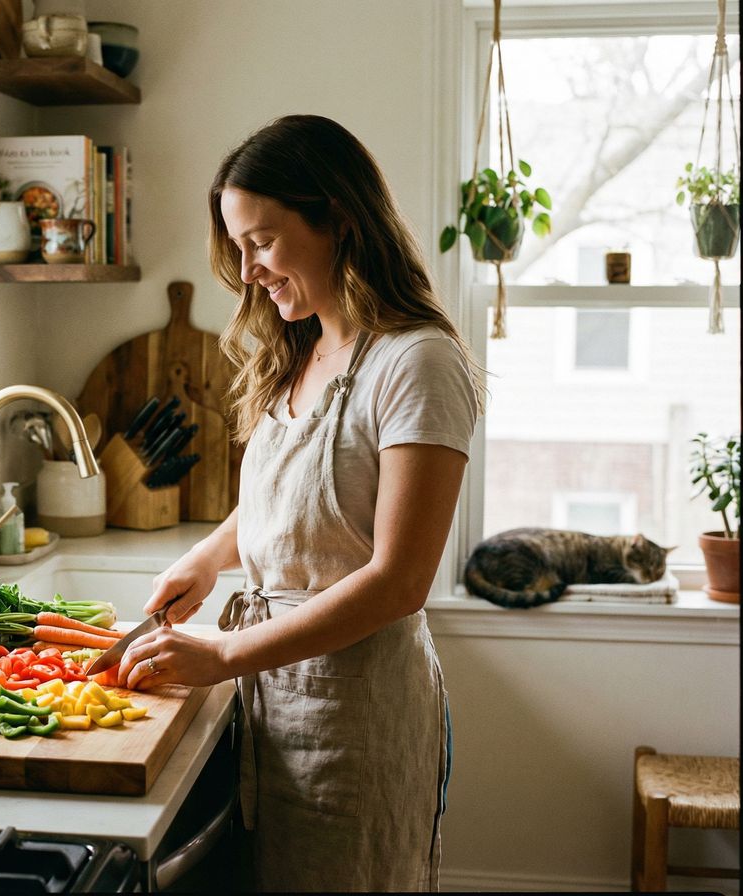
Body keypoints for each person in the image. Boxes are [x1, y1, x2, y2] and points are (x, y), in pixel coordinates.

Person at [115, 114, 485, 892]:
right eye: (238, 246)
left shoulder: (416, 362)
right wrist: (208, 557)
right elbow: (292, 498)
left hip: (354, 720)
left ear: (339, 221)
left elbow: (399, 579)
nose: (247, 270)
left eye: (263, 241)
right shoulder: (300, 349)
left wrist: (221, 655)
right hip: (268, 699)